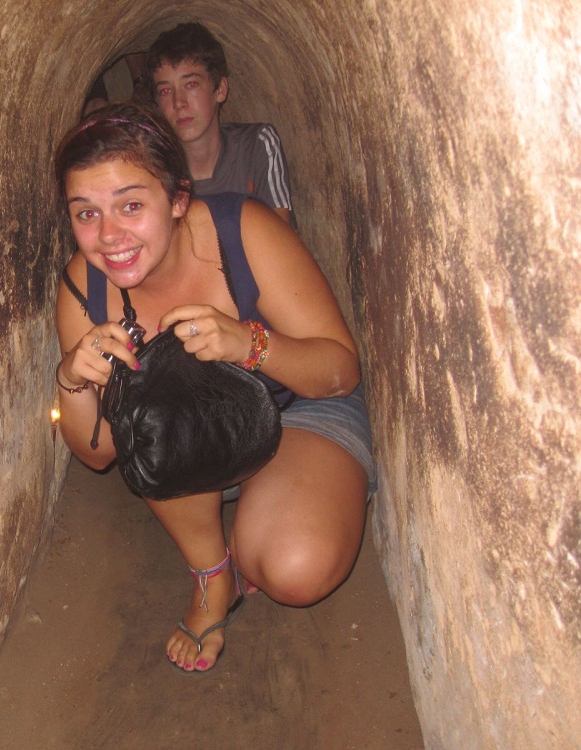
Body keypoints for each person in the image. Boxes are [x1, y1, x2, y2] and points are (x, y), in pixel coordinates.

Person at [53, 101, 375, 673]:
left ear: (178, 199)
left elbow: (339, 370)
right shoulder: (85, 285)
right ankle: (212, 574)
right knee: (158, 402)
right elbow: (98, 452)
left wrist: (250, 344)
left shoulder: (243, 230)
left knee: (296, 569)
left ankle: (272, 508)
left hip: (298, 406)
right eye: (86, 214)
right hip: (192, 440)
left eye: (131, 205)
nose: (108, 237)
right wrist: (71, 380)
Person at [145, 22, 295, 225]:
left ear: (220, 90)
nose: (178, 102)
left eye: (191, 84)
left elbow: (281, 245)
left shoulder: (255, 146)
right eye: (165, 91)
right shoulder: (154, 169)